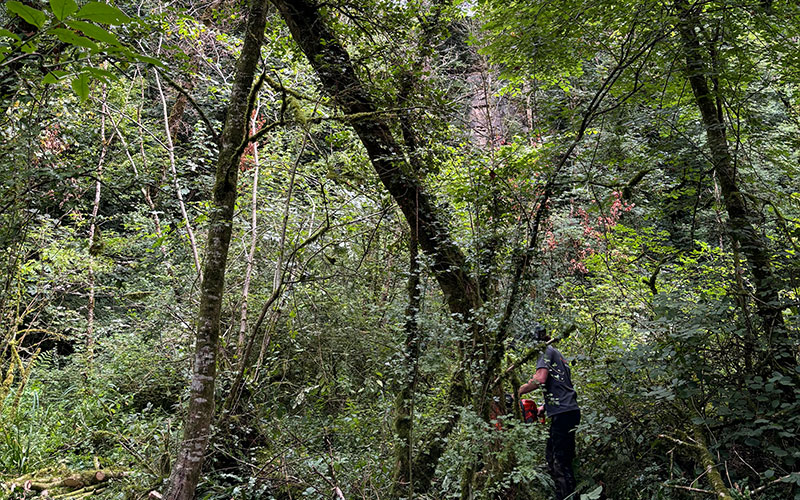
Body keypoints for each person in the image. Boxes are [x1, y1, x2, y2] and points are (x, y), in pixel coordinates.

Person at [518, 324, 580, 500]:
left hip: (564, 413)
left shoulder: (545, 352)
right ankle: (563, 494)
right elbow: (563, 386)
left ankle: (567, 497)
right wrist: (545, 407)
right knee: (554, 456)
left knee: (560, 461)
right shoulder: (557, 354)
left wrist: (519, 390)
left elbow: (540, 378)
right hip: (568, 411)